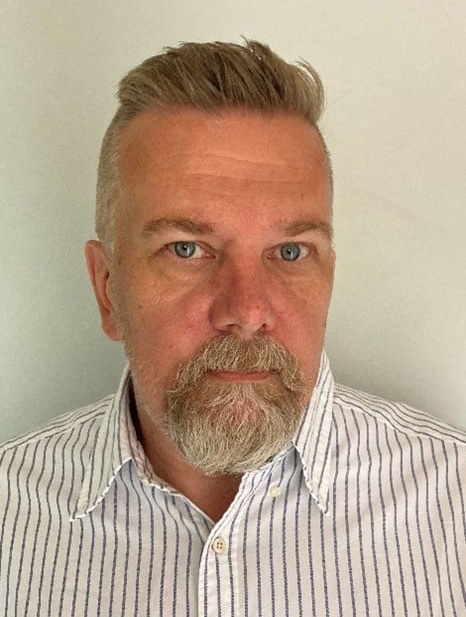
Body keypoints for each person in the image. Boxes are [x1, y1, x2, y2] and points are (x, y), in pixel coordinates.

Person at [0, 40, 465, 617]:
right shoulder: (10, 515)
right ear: (107, 289)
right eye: (187, 249)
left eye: (290, 251)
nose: (246, 310)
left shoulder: (454, 502)